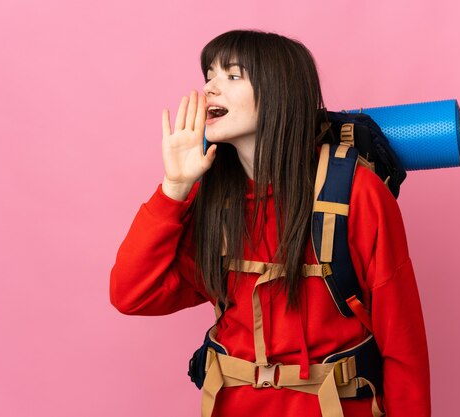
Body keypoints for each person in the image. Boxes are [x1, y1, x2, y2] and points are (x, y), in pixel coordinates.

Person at [110, 29, 430, 417]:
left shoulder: (357, 194)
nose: (210, 88)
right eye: (208, 75)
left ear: (279, 92)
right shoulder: (211, 197)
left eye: (231, 76)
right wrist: (174, 187)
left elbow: (403, 346)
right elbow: (132, 295)